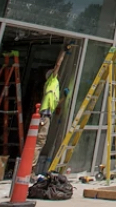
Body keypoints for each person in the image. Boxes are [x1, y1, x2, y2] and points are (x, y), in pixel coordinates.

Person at [35, 43, 72, 171]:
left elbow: (56, 104)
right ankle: (31, 169)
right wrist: (63, 51)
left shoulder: (54, 88)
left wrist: (64, 98)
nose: (59, 75)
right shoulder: (52, 81)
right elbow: (57, 65)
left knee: (41, 142)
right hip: (44, 116)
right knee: (39, 142)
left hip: (47, 115)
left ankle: (33, 168)